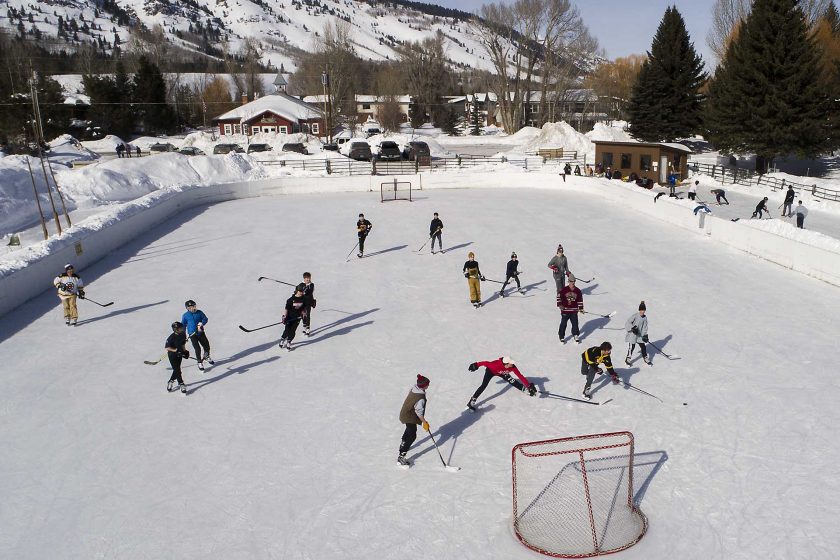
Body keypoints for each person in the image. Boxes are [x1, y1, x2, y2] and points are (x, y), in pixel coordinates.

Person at [466, 356, 536, 410]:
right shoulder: (495, 365)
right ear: (506, 364)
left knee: (513, 381)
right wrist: (476, 365)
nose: (513, 364)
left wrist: (529, 386)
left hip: (502, 373)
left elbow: (520, 376)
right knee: (484, 385)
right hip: (491, 371)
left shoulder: (512, 367)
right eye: (511, 363)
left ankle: (526, 390)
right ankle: (472, 401)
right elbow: (485, 363)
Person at [397, 374, 431, 467]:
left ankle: (403, 443)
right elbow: (419, 412)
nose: (429, 385)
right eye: (428, 384)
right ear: (423, 385)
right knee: (412, 435)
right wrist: (424, 422)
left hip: (405, 413)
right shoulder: (420, 398)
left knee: (409, 430)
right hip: (409, 416)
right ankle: (401, 456)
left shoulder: (414, 388)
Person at [182, 300, 213, 371]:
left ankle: (207, 356)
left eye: (193, 307)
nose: (192, 309)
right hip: (192, 334)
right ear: (187, 308)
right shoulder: (185, 315)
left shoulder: (199, 312)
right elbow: (183, 325)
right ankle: (199, 362)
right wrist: (183, 336)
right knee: (197, 348)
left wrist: (202, 323)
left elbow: (205, 319)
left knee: (206, 345)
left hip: (200, 332)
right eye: (189, 308)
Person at [557, 275, 584, 344]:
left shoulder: (578, 291)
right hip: (565, 310)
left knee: (575, 323)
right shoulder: (564, 290)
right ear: (568, 281)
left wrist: (581, 308)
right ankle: (561, 336)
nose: (573, 283)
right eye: (571, 281)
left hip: (574, 311)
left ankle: (575, 334)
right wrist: (560, 305)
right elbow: (558, 297)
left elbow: (580, 300)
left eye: (574, 281)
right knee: (563, 323)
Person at [279, 284, 307, 350]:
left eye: (302, 291)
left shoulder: (304, 299)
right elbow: (287, 309)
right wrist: (285, 317)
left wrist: (303, 314)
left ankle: (289, 341)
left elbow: (304, 308)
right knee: (287, 330)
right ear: (297, 291)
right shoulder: (290, 300)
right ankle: (282, 339)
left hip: (297, 318)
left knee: (293, 331)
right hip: (289, 317)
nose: (301, 293)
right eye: (300, 291)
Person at [165, 321, 189, 394]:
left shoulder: (183, 334)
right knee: (177, 370)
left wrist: (185, 351)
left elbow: (182, 344)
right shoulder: (171, 337)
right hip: (172, 355)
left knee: (177, 370)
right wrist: (176, 350)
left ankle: (170, 381)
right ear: (176, 329)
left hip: (180, 354)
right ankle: (181, 384)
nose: (182, 328)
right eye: (181, 328)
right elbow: (167, 348)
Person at [624, 301, 651, 366]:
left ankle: (645, 357)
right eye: (641, 310)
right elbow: (628, 322)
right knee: (631, 347)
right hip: (633, 334)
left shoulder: (645, 318)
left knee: (643, 347)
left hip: (640, 335)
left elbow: (645, 327)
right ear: (639, 310)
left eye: (644, 310)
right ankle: (628, 358)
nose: (642, 311)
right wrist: (632, 328)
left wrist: (645, 335)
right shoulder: (635, 316)